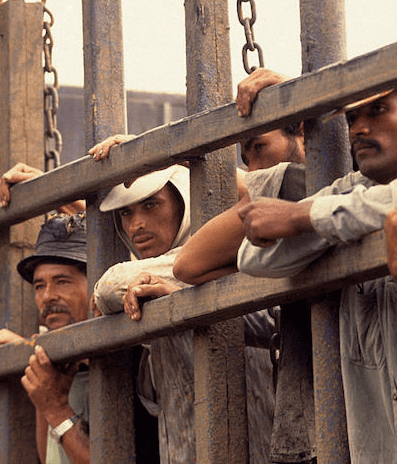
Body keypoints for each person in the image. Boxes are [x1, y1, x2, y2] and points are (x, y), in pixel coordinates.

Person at [235, 77, 397, 461]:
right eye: (352, 118)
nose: (360, 128)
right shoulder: (353, 192)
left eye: (379, 110)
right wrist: (336, 217)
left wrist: (306, 215)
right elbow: (254, 258)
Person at [84, 161, 275, 463]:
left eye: (151, 205)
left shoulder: (227, 255)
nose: (136, 225)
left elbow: (110, 286)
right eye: (126, 213)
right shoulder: (147, 284)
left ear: (183, 201)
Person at [0, 213, 91, 464]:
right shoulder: (53, 364)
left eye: (62, 281)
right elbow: (48, 458)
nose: (48, 296)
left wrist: (56, 409)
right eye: (39, 286)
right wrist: (31, 356)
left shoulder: (129, 360)